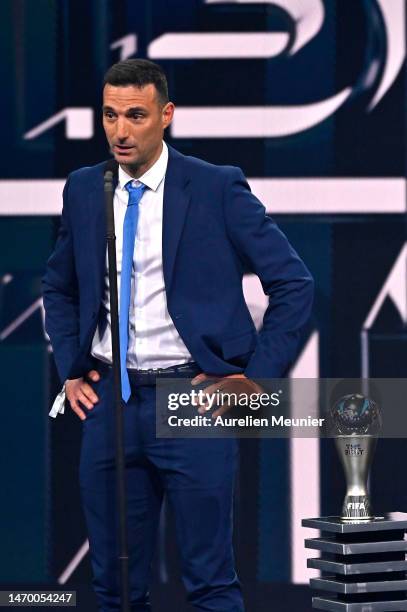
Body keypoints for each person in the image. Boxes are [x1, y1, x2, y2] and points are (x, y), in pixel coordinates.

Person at [42, 58, 314, 612]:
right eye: (111, 115)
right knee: (115, 588)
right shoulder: (82, 189)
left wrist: (257, 378)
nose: (120, 130)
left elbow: (294, 283)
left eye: (135, 115)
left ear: (165, 116)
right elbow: (59, 285)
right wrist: (72, 367)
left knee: (210, 584)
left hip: (192, 399)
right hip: (111, 404)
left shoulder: (216, 187)